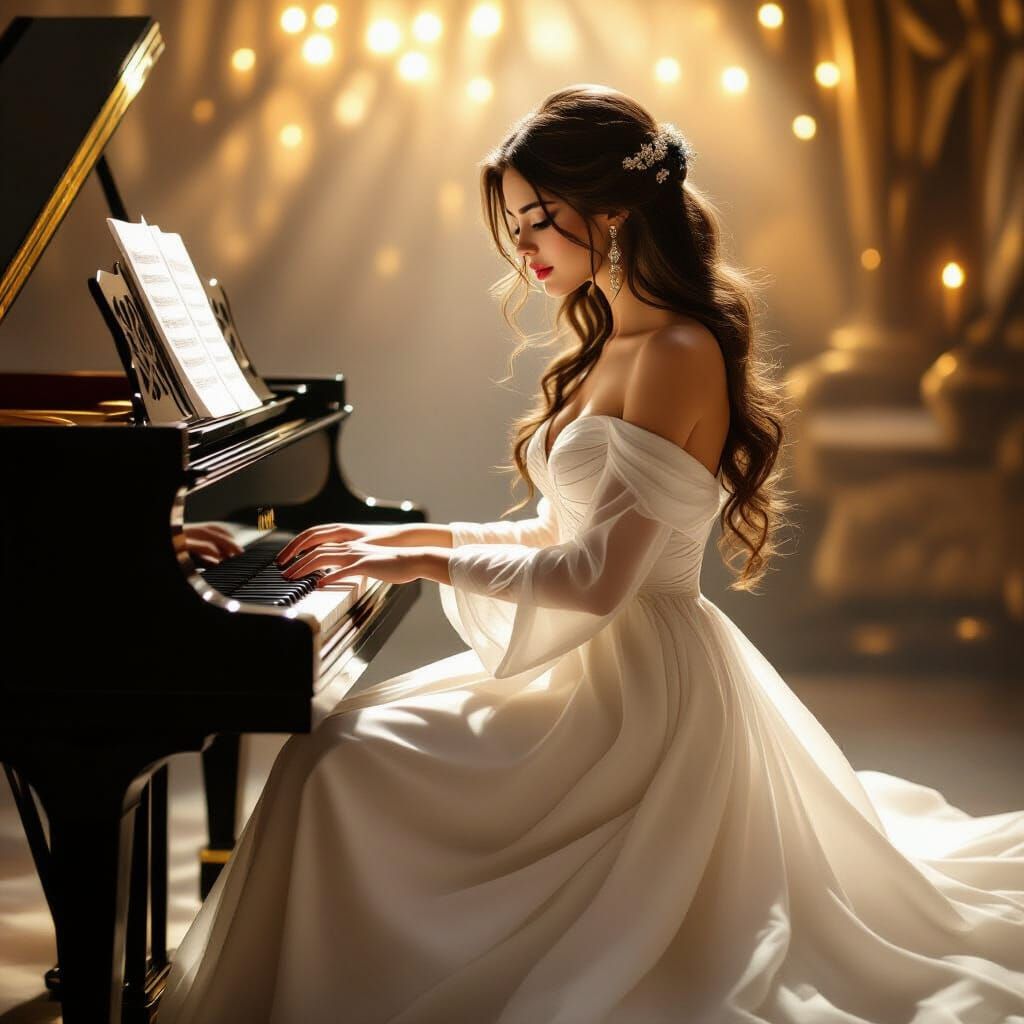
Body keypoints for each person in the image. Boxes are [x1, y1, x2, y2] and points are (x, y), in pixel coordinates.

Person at [157, 85, 1024, 1024]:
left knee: (339, 767)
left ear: (610, 216)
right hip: (595, 671)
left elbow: (599, 579)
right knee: (332, 757)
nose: (522, 247)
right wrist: (395, 539)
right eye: (519, 223)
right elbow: (558, 536)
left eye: (539, 221)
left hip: (631, 700)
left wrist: (417, 563)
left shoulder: (677, 351)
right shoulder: (617, 338)